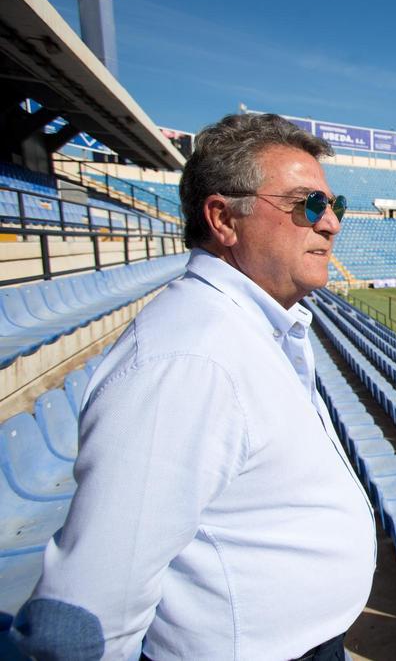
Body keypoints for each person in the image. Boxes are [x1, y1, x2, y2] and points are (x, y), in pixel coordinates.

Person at [16, 114, 376, 659]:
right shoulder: (190, 360)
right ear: (223, 219)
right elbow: (85, 614)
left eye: (334, 205)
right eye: (308, 204)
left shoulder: (243, 330)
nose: (331, 224)